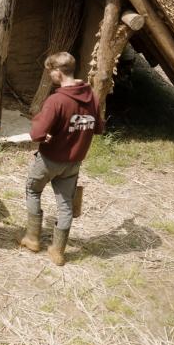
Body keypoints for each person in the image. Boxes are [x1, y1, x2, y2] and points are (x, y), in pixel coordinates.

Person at [19, 52, 104, 266]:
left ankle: (32, 238)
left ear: (58, 71)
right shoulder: (91, 96)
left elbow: (37, 133)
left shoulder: (57, 100)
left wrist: (44, 134)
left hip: (50, 160)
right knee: (65, 204)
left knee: (33, 189)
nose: (49, 75)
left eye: (50, 72)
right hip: (73, 163)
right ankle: (58, 251)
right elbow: (98, 128)